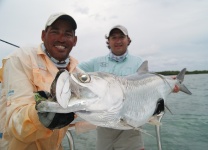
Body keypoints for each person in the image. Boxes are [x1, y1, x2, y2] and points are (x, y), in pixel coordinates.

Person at [0, 12, 81, 150]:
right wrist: (43, 114)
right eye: (55, 32)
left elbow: (86, 120)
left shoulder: (77, 74)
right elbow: (15, 121)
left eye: (68, 34)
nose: (61, 39)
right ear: (43, 35)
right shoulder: (19, 58)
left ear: (75, 40)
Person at [78, 25, 145, 150]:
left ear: (128, 40)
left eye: (121, 37)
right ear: (108, 41)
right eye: (113, 37)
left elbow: (145, 90)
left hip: (130, 122)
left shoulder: (139, 62)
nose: (118, 41)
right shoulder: (96, 62)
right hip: (104, 123)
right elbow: (74, 70)